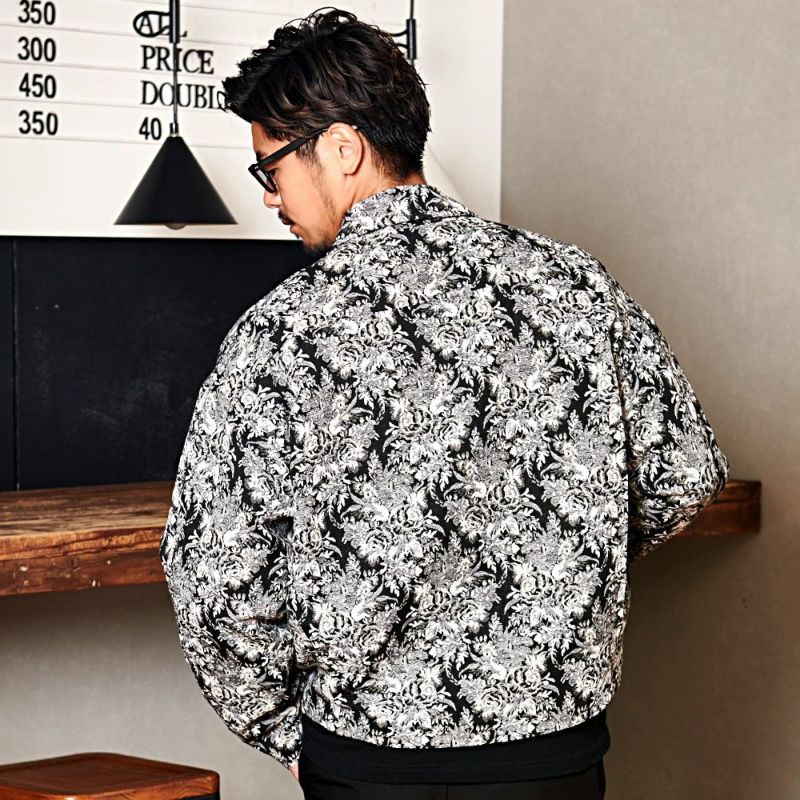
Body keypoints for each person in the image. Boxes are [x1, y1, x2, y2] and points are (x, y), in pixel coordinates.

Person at [159, 7, 730, 799]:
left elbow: (214, 573)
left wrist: (286, 730)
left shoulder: (280, 333)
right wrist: (564, 563)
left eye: (271, 168)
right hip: (550, 759)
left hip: (365, 764)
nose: (270, 197)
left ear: (343, 148)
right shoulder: (574, 288)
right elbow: (686, 474)